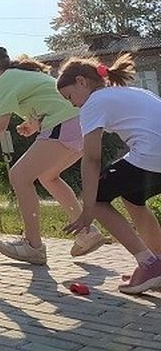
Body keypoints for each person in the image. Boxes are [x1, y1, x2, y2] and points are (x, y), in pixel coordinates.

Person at [0, 46, 106, 265]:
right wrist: (34, 125)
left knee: (19, 176)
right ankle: (86, 233)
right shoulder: (25, 75)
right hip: (82, 125)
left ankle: (33, 245)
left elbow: (0, 125)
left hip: (64, 124)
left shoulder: (6, 80)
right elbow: (51, 102)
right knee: (48, 177)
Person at [58, 54, 161, 294]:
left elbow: (92, 158)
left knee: (98, 198)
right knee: (133, 198)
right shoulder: (128, 92)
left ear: (82, 82)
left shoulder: (94, 103)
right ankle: (157, 262)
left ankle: (149, 264)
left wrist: (87, 209)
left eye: (69, 96)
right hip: (154, 156)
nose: (72, 104)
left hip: (152, 155)